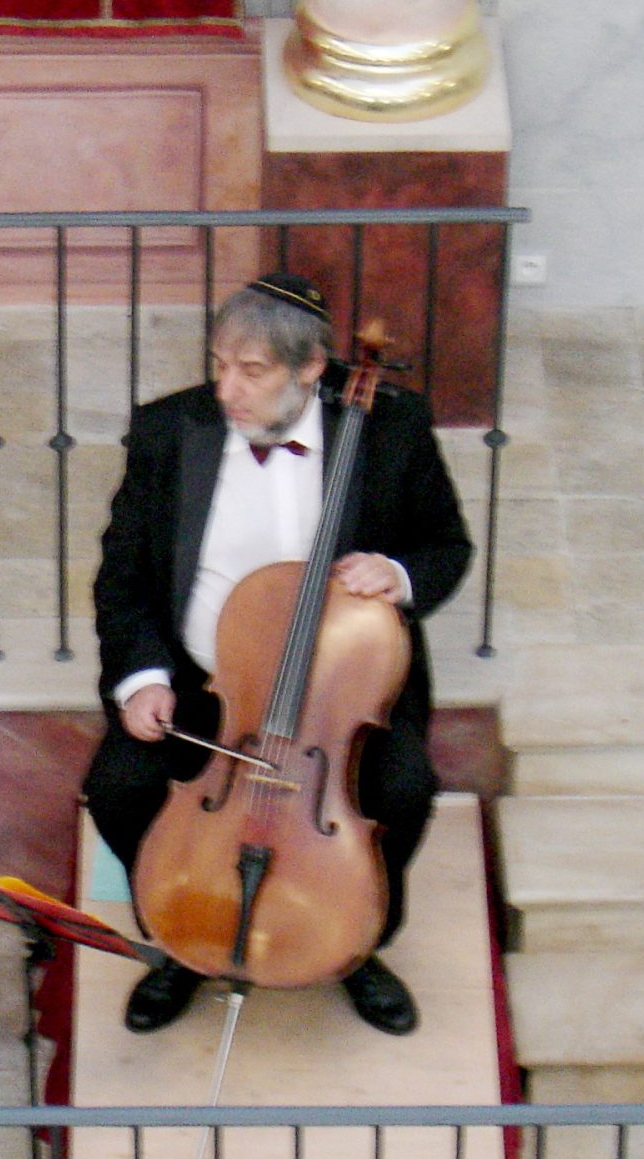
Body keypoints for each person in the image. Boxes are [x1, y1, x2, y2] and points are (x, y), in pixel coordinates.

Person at [84, 274, 471, 1037]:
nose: (226, 389)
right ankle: (182, 934)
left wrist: (396, 574)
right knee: (118, 787)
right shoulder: (170, 430)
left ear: (310, 369)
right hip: (208, 689)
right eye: (220, 364)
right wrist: (142, 680)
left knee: (401, 790)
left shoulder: (390, 429)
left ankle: (354, 941)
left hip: (338, 697)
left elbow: (445, 546)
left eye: (252, 372)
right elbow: (122, 575)